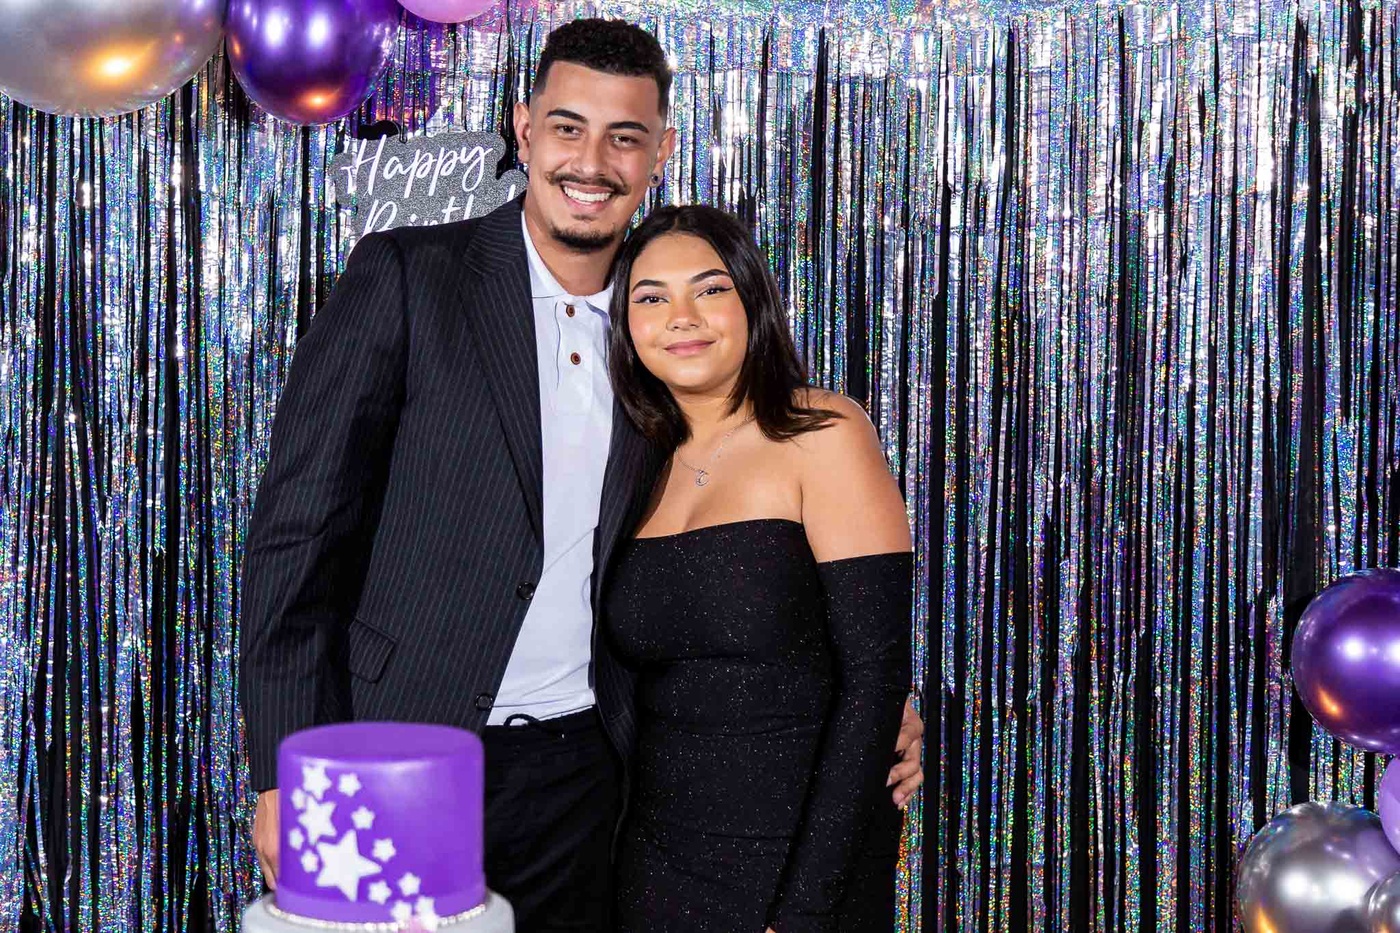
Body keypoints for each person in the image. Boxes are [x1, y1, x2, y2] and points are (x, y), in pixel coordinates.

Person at [238, 18, 924, 933]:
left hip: (592, 776)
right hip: (391, 751)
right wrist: (285, 769)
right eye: (568, 128)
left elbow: (740, 546)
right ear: (525, 130)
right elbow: (298, 534)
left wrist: (877, 702)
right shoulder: (409, 275)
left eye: (624, 137)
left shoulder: (663, 338)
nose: (591, 163)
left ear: (660, 154)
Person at [603, 205, 912, 931]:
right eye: (651, 297)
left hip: (800, 862)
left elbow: (876, 679)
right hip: (652, 863)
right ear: (625, 324)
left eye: (709, 289)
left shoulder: (822, 431)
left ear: (751, 300)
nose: (682, 317)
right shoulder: (628, 463)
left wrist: (804, 911)